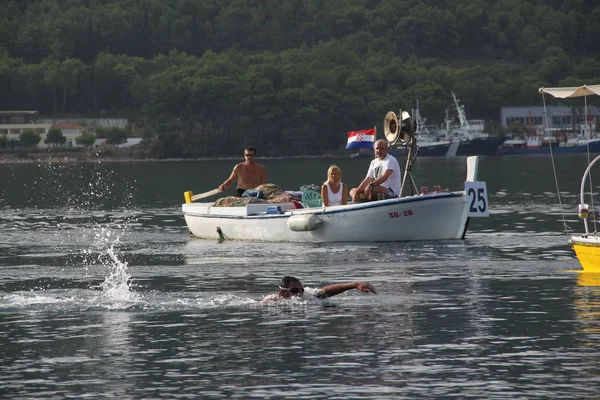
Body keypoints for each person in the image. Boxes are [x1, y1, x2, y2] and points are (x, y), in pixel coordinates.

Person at [262, 276, 376, 303]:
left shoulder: (307, 295)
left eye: (301, 290)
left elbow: (326, 291)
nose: (300, 294)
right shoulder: (271, 301)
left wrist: (354, 285)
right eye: (295, 291)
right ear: (283, 292)